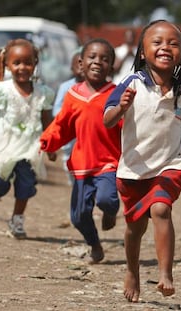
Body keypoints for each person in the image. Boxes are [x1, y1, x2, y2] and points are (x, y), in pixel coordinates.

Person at [103, 20, 181, 303]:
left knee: (161, 209)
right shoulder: (131, 83)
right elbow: (108, 120)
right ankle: (132, 270)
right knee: (134, 228)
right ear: (142, 53)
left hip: (171, 163)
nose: (166, 47)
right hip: (134, 169)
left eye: (173, 43)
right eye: (157, 42)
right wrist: (122, 107)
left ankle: (166, 274)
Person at [40, 38, 122, 264]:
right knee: (78, 216)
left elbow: (129, 128)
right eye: (92, 57)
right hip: (82, 163)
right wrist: (49, 142)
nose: (98, 62)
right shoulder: (73, 94)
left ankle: (109, 212)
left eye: (105, 59)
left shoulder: (116, 94)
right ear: (81, 63)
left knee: (107, 199)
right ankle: (94, 244)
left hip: (109, 161)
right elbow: (62, 125)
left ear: (111, 67)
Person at [0, 38, 56, 239]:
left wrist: (51, 144)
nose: (22, 67)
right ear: (7, 65)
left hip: (30, 145)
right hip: (5, 142)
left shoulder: (43, 93)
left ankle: (17, 219)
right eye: (17, 63)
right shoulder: (2, 89)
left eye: (28, 62)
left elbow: (48, 121)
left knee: (26, 184)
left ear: (35, 63)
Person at [52, 47, 84, 185]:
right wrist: (68, 116)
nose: (81, 68)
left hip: (87, 132)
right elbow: (56, 109)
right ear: (71, 68)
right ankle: (73, 180)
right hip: (70, 133)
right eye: (78, 64)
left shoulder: (95, 87)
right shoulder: (66, 87)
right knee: (69, 157)